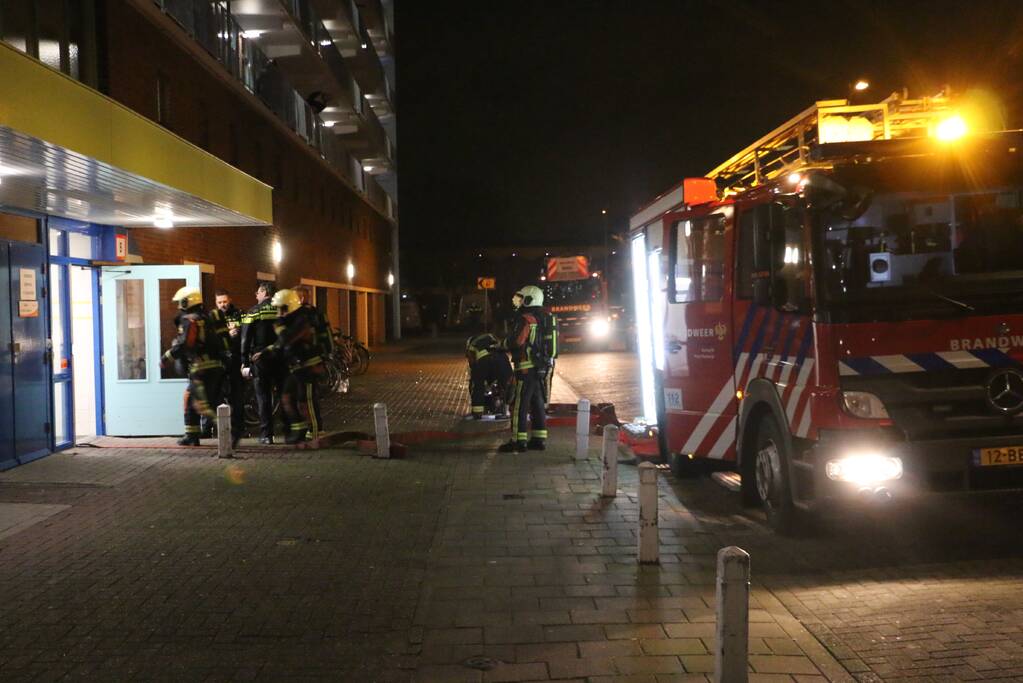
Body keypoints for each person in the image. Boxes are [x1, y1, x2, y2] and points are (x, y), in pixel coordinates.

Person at [160, 287, 225, 446]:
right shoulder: (207, 317)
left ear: (186, 302)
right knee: (190, 399)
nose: (178, 307)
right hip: (212, 366)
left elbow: (185, 344)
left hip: (201, 368)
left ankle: (230, 429)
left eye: (180, 303)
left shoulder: (190, 319)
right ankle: (192, 435)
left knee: (201, 405)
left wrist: (166, 357)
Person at [263, 289, 326, 444]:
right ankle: (299, 429)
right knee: (287, 397)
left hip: (309, 366)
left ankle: (316, 433)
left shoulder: (302, 320)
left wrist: (278, 327)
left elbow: (286, 339)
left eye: (282, 308)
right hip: (297, 367)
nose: (279, 313)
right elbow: (283, 344)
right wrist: (267, 350)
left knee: (307, 400)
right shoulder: (292, 319)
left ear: (290, 306)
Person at [498, 285, 549, 453]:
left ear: (529, 300)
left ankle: (518, 441)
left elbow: (517, 341)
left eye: (521, 298)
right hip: (539, 369)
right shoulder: (543, 318)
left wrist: (501, 345)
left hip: (525, 369)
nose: (518, 302)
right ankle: (538, 439)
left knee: (520, 405)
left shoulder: (525, 319)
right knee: (537, 403)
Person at [241, 282, 283, 444]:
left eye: (258, 292)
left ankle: (267, 434)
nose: (256, 295)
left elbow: (245, 338)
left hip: (261, 360)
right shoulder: (281, 310)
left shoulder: (254, 311)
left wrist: (244, 361)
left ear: (264, 292)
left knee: (263, 397)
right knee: (284, 395)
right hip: (280, 358)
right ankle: (292, 430)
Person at [208, 289, 245, 443]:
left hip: (236, 358)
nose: (223, 305)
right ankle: (214, 428)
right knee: (216, 394)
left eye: (225, 301)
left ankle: (239, 427)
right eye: (219, 302)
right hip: (220, 360)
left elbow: (248, 332)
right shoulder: (213, 317)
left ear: (230, 300)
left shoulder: (240, 314)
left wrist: (240, 332)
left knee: (237, 394)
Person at [465, 326, 512, 419]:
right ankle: (507, 409)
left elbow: (471, 360)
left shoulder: (472, 344)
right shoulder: (491, 337)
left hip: (484, 362)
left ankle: (477, 413)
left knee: (478, 384)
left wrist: (475, 372)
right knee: (508, 382)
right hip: (502, 359)